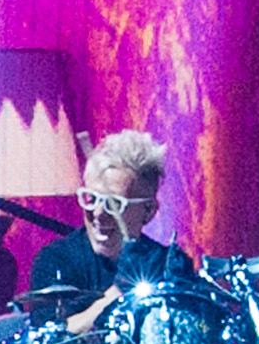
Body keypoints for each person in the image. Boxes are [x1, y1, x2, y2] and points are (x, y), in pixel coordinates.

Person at [19, 130, 195, 315]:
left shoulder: (169, 266)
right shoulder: (57, 261)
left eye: (114, 204)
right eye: (91, 198)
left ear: (149, 211)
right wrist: (119, 293)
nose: (99, 213)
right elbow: (55, 338)